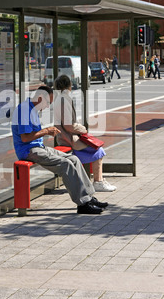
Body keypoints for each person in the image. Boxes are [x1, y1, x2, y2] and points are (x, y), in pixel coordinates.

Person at [11, 85, 107, 214]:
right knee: (65, 165)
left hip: (38, 147)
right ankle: (82, 203)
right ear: (40, 98)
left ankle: (89, 197)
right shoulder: (24, 110)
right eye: (47, 102)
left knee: (73, 159)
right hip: (28, 150)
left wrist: (45, 132)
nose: (47, 106)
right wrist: (46, 131)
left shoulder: (31, 109)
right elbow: (25, 138)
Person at [54, 75, 116, 193]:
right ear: (69, 86)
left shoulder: (59, 98)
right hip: (69, 139)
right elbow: (69, 125)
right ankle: (98, 182)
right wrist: (83, 129)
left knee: (96, 148)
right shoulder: (64, 99)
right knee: (98, 150)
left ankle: (98, 180)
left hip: (65, 137)